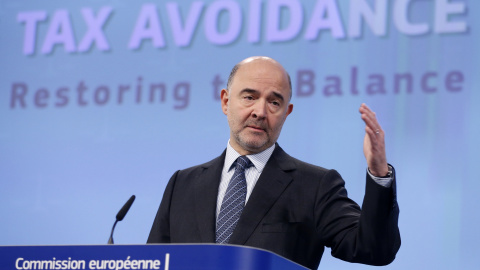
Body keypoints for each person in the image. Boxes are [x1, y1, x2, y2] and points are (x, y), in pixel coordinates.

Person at [147, 56, 400, 269]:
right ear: (226, 101)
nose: (260, 112)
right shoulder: (183, 184)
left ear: (286, 113)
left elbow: (373, 249)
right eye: (249, 97)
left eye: (274, 102)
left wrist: (378, 173)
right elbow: (153, 262)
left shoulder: (315, 185)